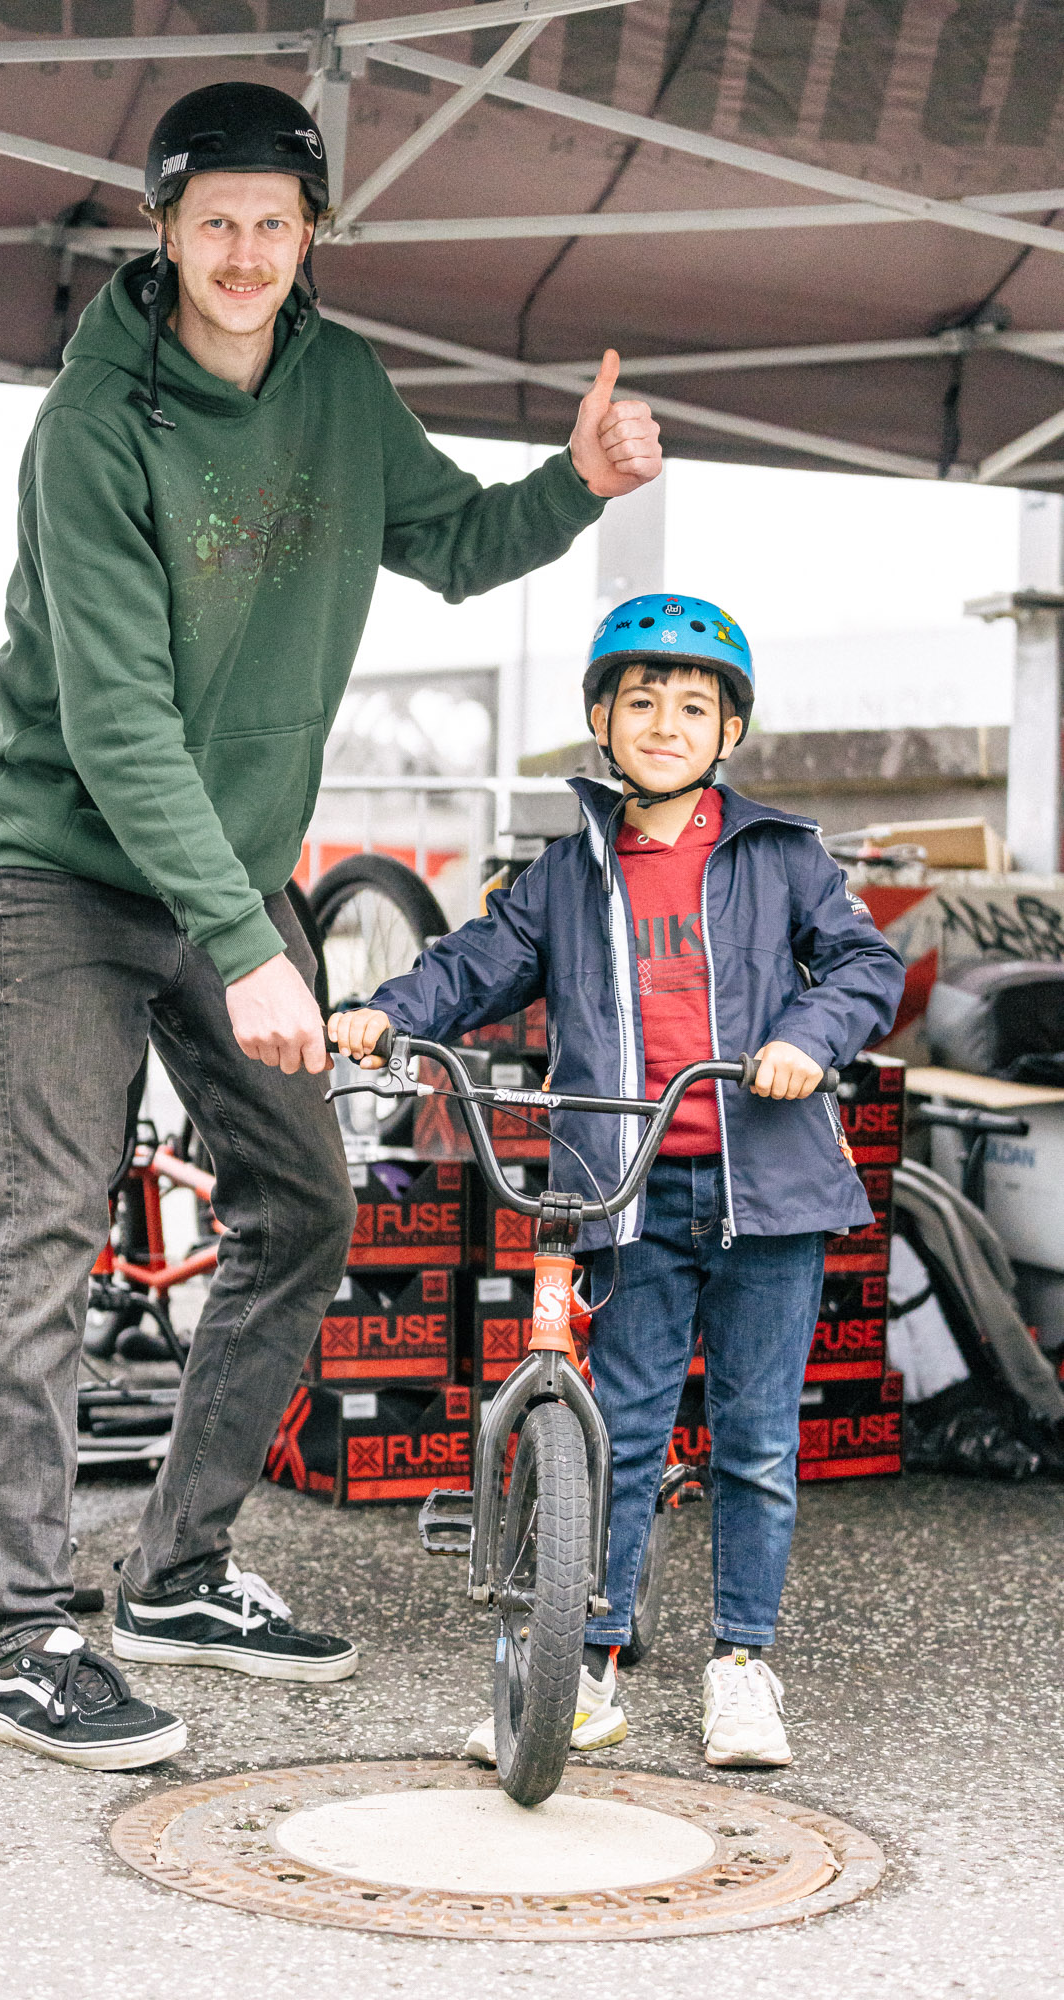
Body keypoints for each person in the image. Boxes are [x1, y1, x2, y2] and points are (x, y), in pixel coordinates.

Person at [0, 80, 663, 1770]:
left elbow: (449, 539)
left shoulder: (341, 388)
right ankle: (20, 1628)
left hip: (232, 869)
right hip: (69, 862)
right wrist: (252, 934)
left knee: (306, 1202)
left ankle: (177, 1568)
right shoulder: (92, 426)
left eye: (275, 223)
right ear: (163, 228)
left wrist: (566, 484)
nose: (244, 253)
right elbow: (117, 720)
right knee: (53, 1230)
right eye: (215, 223)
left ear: (312, 232)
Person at [331, 594, 905, 1768]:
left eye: (694, 704)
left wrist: (810, 1035)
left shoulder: (782, 852)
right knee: (626, 1432)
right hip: (629, 1188)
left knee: (753, 1440)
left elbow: (864, 961)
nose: (664, 721)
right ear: (601, 717)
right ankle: (584, 1665)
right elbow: (474, 964)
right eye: (639, 699)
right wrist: (388, 1012)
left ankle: (742, 1664)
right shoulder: (565, 871)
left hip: (770, 1190)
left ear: (727, 733)